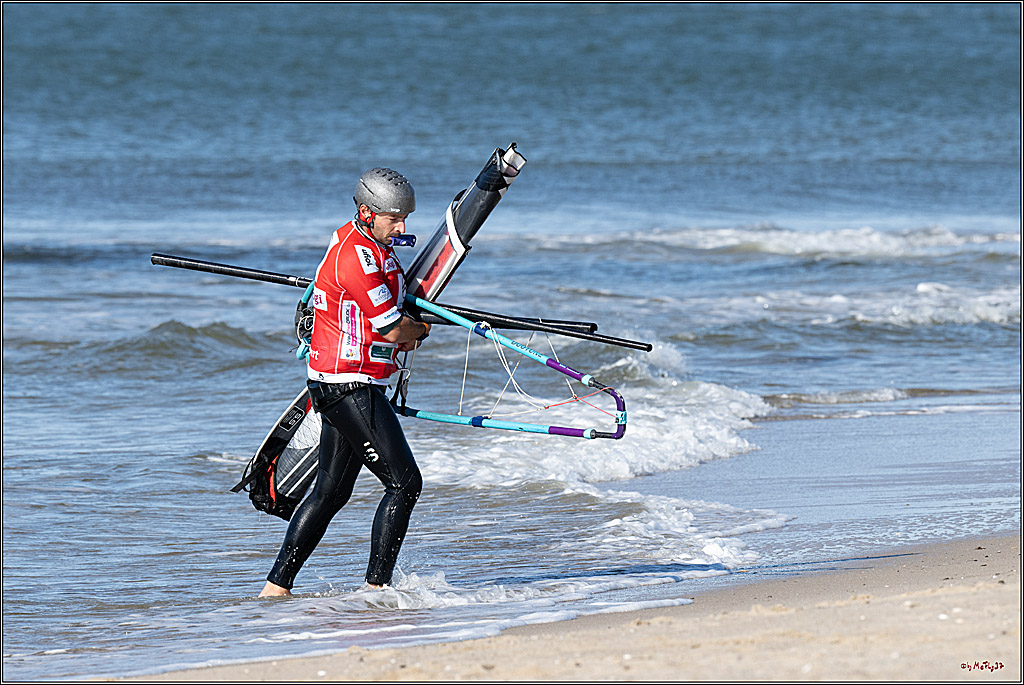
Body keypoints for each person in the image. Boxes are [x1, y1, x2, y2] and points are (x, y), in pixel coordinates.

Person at [259, 168, 431, 597]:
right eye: (394, 218)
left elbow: (379, 324)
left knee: (330, 492)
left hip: (337, 384)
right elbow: (392, 329)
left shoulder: (375, 247)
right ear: (366, 212)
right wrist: (420, 330)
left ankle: (276, 588)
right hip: (348, 386)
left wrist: (405, 328)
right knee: (405, 483)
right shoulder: (356, 255)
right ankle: (376, 590)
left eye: (405, 217)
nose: (402, 227)